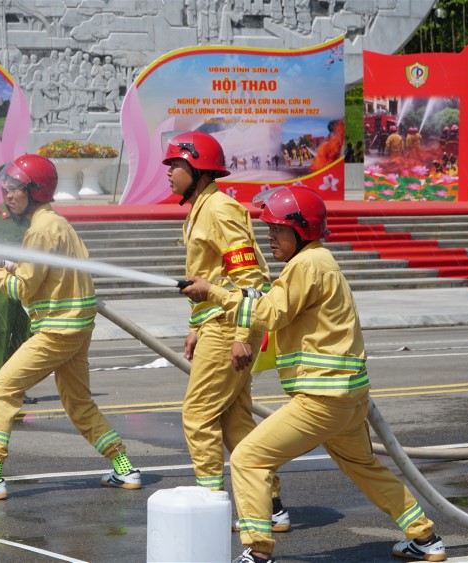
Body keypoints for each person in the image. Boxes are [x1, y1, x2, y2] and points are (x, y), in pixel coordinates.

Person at [181, 186, 446, 563]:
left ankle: (257, 551)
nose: (269, 237)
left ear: (302, 231)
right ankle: (425, 538)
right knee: (365, 467)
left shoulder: (306, 266)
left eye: (277, 230)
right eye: (268, 229)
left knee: (248, 459)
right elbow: (271, 304)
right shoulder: (318, 261)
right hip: (348, 398)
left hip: (322, 398)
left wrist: (215, 292)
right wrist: (218, 294)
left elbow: (269, 314)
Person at [0, 154, 141, 501]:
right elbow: (43, 269)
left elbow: (22, 288)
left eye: (15, 188)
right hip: (77, 329)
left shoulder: (38, 231)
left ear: (34, 191)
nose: (8, 194)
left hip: (56, 332)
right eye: (6, 186)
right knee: (79, 403)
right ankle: (125, 468)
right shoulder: (59, 225)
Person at [162, 131, 290, 530]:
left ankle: (210, 504)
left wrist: (240, 336)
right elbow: (211, 277)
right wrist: (194, 326)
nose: (168, 172)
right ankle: (271, 506)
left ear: (197, 170)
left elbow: (248, 276)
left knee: (197, 415)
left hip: (229, 326)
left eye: (175, 165)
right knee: (235, 422)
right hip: (215, 324)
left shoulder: (220, 209)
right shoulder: (203, 207)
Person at [0, 172, 36, 405]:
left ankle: (14, 385)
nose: (9, 196)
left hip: (27, 285)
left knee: (26, 337)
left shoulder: (33, 217)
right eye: (5, 191)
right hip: (1, 285)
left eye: (14, 190)